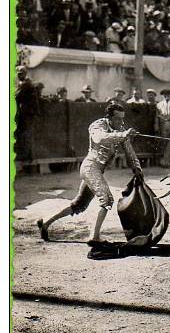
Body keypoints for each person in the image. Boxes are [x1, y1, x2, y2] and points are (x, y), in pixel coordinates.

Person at [36, 103, 141, 255]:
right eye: (117, 119)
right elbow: (100, 138)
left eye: (122, 119)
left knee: (79, 205)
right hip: (90, 167)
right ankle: (94, 236)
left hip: (97, 170)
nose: (121, 123)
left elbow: (129, 152)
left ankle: (46, 222)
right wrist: (122, 135)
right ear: (109, 117)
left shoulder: (121, 130)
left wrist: (136, 169)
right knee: (107, 200)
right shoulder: (97, 125)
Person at [155, 88, 170, 167]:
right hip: (163, 125)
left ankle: (168, 161)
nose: (167, 96)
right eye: (165, 95)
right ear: (163, 96)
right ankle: (162, 162)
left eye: (169, 95)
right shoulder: (159, 105)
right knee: (163, 143)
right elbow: (156, 117)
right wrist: (157, 127)